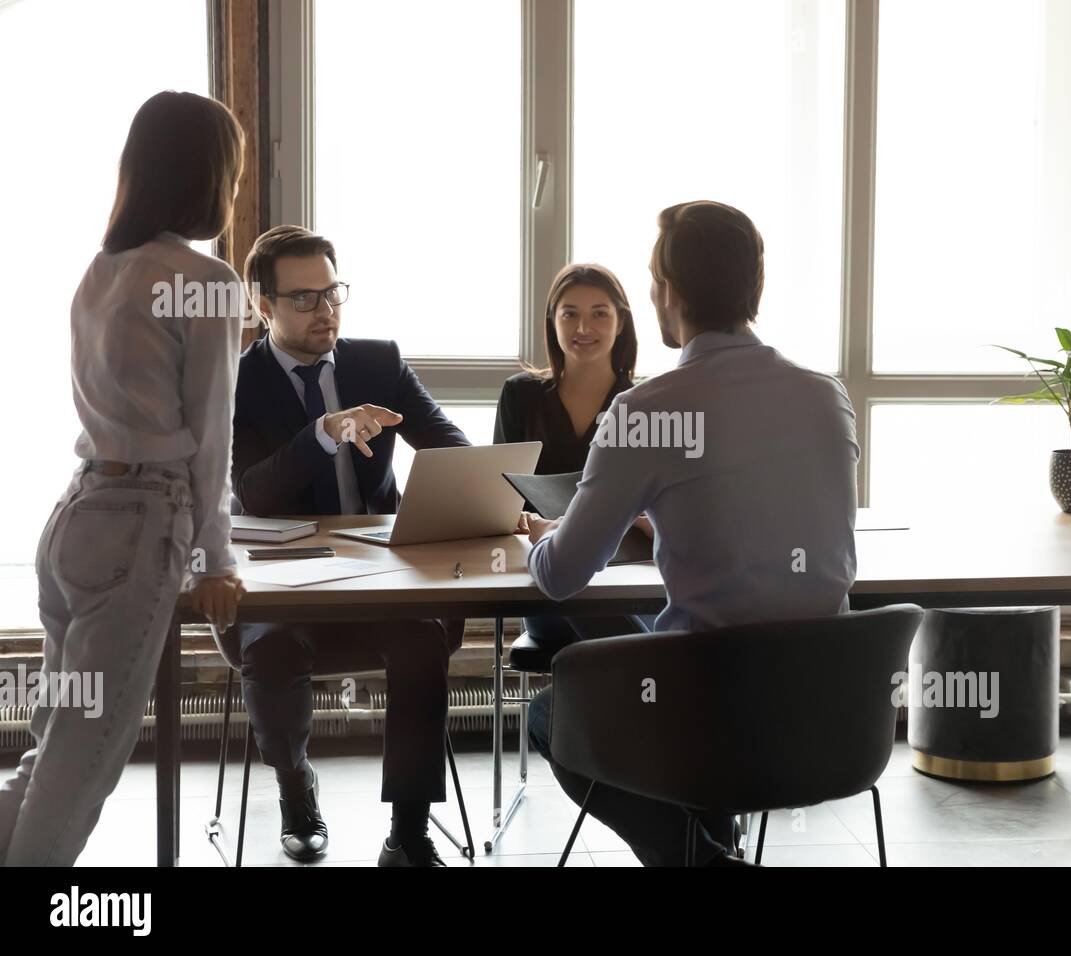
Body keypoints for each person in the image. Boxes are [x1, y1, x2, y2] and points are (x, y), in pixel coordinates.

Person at [522, 201, 859, 866]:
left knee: (549, 713)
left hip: (710, 704)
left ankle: (700, 860)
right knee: (668, 650)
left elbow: (561, 575)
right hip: (831, 707)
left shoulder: (646, 408)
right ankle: (710, 847)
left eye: (652, 280)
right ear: (753, 284)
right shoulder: (828, 395)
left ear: (669, 292)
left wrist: (542, 535)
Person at [0, 91, 247, 866]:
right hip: (141, 523)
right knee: (84, 763)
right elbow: (210, 441)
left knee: (54, 740)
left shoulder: (100, 270)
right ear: (211, 175)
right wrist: (218, 562)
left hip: (74, 516)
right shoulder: (206, 279)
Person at [232, 224, 469, 866]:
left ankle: (409, 832)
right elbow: (252, 493)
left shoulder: (378, 362)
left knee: (422, 638)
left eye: (333, 291)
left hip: (379, 580)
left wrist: (499, 497)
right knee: (274, 649)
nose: (326, 310)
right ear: (263, 304)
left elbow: (450, 447)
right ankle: (296, 790)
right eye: (304, 298)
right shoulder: (237, 381)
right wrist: (323, 433)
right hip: (282, 582)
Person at [494, 263, 649, 651]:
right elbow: (499, 500)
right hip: (548, 579)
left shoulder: (646, 406)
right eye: (570, 314)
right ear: (552, 321)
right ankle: (646, 677)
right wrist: (530, 524)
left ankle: (631, 681)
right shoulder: (520, 396)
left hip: (625, 577)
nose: (584, 328)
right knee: (581, 601)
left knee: (619, 629)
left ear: (621, 322)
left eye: (599, 313)